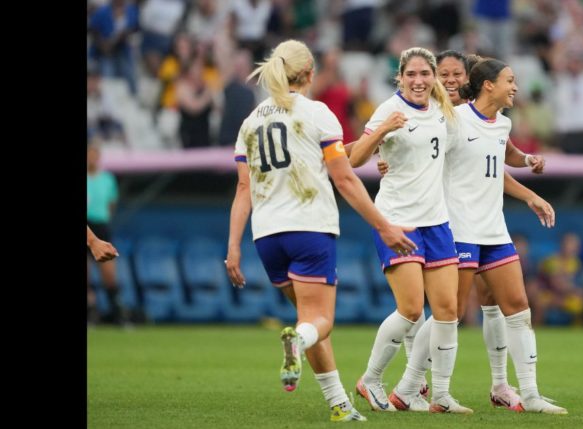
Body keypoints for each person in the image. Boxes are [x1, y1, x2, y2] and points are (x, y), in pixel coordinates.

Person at [223, 39, 417, 423]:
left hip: (266, 237)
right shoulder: (317, 113)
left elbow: (243, 189)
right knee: (318, 322)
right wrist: (385, 226)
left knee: (309, 320)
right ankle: (298, 341)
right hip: (309, 228)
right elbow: (344, 179)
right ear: (310, 73)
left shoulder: (251, 121)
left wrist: (233, 247)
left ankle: (339, 406)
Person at [370, 50, 556, 413]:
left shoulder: (500, 122)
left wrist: (530, 179)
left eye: (457, 73)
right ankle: (411, 386)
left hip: (493, 227)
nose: (515, 87)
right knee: (448, 312)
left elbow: (500, 156)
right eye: (510, 81)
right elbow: (420, 154)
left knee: (517, 308)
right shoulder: (449, 120)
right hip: (457, 226)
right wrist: (385, 159)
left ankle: (529, 394)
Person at [347, 47, 472, 414]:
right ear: (400, 77)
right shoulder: (389, 109)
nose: (418, 80)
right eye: (411, 74)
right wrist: (382, 132)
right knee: (412, 308)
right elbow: (353, 160)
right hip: (398, 219)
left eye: (424, 74)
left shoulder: (443, 110)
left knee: (448, 309)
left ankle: (429, 392)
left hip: (436, 222)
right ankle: (370, 379)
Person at [87, 144, 128, 326]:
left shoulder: (107, 179)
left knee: (109, 275)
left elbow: (111, 204)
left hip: (101, 227)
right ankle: (91, 314)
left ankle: (117, 314)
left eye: (95, 155)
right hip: (88, 226)